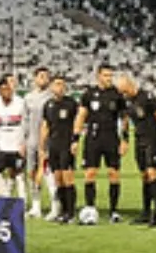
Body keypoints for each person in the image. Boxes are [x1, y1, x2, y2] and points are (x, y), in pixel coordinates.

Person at [75, 65, 127, 223]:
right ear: (98, 76)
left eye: (111, 75)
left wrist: (125, 139)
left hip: (111, 136)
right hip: (93, 137)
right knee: (90, 172)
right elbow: (81, 116)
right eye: (106, 75)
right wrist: (75, 139)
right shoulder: (89, 94)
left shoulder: (117, 95)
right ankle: (90, 208)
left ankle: (114, 211)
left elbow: (124, 118)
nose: (109, 78)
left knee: (114, 173)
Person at [120, 75, 156, 228]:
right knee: (144, 176)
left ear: (130, 85)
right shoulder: (127, 102)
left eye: (125, 91)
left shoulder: (147, 96)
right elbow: (125, 120)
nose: (124, 94)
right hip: (139, 139)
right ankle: (146, 211)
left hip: (153, 138)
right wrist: (125, 138)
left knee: (152, 172)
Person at [41, 76, 80, 223]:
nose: (60, 87)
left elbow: (78, 122)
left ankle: (71, 212)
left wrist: (75, 141)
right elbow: (45, 126)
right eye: (57, 84)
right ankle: (63, 211)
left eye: (62, 85)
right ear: (51, 87)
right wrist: (42, 146)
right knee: (57, 179)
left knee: (67, 177)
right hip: (53, 145)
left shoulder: (71, 104)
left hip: (66, 144)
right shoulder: (48, 105)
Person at [0, 76, 29, 203]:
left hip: (17, 146)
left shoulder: (20, 102)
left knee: (19, 175)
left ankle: (23, 204)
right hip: (2, 146)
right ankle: (6, 198)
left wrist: (24, 143)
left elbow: (26, 123)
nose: (6, 92)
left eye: (8, 89)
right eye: (3, 90)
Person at [21, 68, 53, 216]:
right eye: (41, 76)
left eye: (46, 77)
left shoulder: (52, 97)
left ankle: (55, 204)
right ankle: (36, 205)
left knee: (47, 172)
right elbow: (24, 121)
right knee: (31, 172)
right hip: (31, 140)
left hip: (48, 140)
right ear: (35, 79)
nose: (43, 79)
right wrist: (23, 140)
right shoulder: (28, 98)